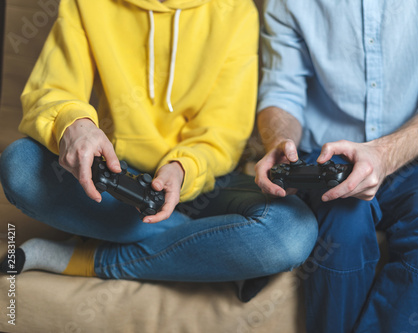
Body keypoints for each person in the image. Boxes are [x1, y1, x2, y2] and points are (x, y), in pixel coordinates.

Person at [0, 0, 318, 299]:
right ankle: (216, 247)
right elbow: (53, 87)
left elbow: (223, 133)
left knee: (292, 230)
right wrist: (74, 124)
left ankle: (86, 259)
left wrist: (182, 168)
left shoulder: (236, 10)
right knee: (19, 163)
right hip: (118, 179)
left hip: (204, 180)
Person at [255, 0, 418, 331]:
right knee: (342, 226)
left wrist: (385, 153)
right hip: (325, 160)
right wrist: (279, 143)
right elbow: (281, 91)